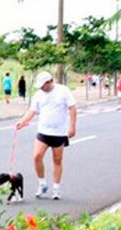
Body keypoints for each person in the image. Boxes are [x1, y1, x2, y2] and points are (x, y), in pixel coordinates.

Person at [14, 71, 77, 200]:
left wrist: (72, 126)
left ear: (49, 82)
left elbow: (72, 108)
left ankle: (56, 188)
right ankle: (42, 184)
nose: (42, 88)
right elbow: (33, 111)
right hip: (43, 131)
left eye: (44, 85)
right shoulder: (38, 95)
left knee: (57, 160)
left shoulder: (63, 91)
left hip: (59, 132)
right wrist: (22, 121)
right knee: (37, 156)